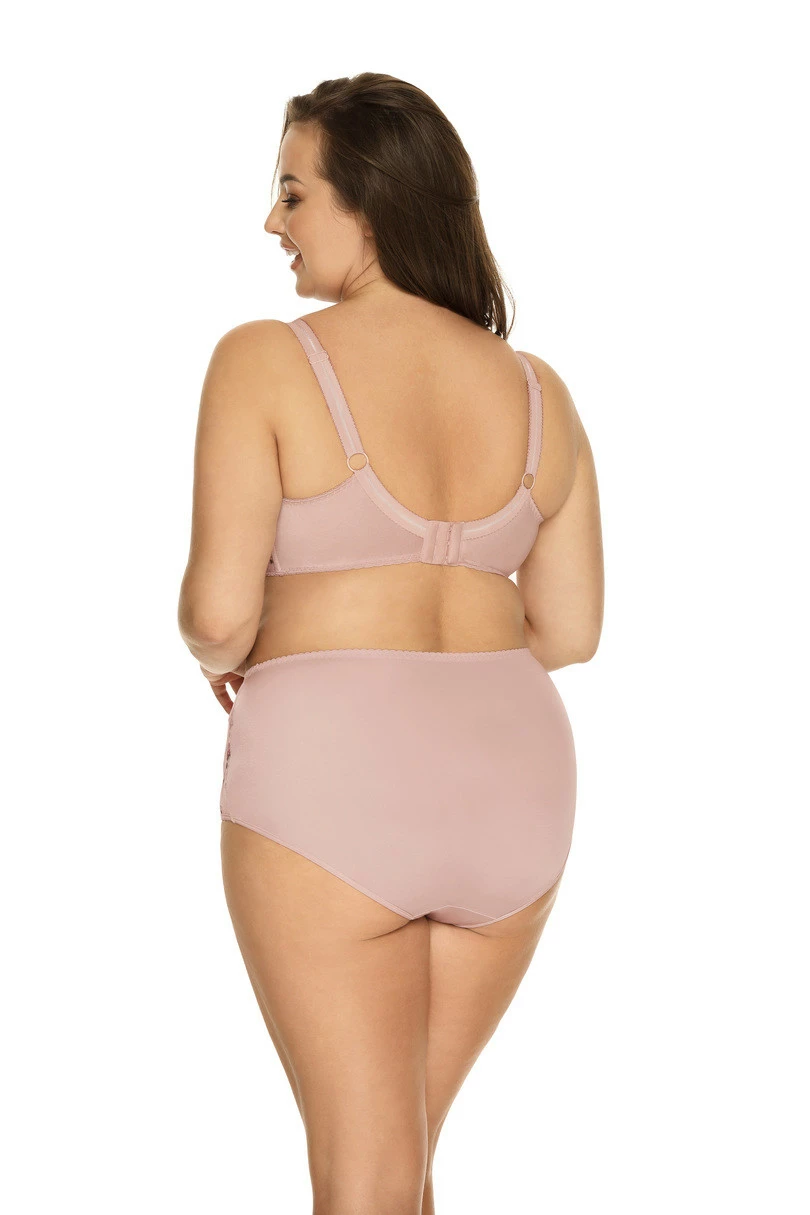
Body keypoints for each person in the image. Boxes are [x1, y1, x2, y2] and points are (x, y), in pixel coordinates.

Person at [178, 72, 603, 1215]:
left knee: (364, 1180)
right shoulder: (538, 392)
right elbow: (571, 630)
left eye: (293, 192)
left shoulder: (266, 359)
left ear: (369, 200)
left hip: (336, 785)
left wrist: (236, 653)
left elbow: (216, 614)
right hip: (514, 792)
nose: (272, 221)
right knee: (401, 1171)